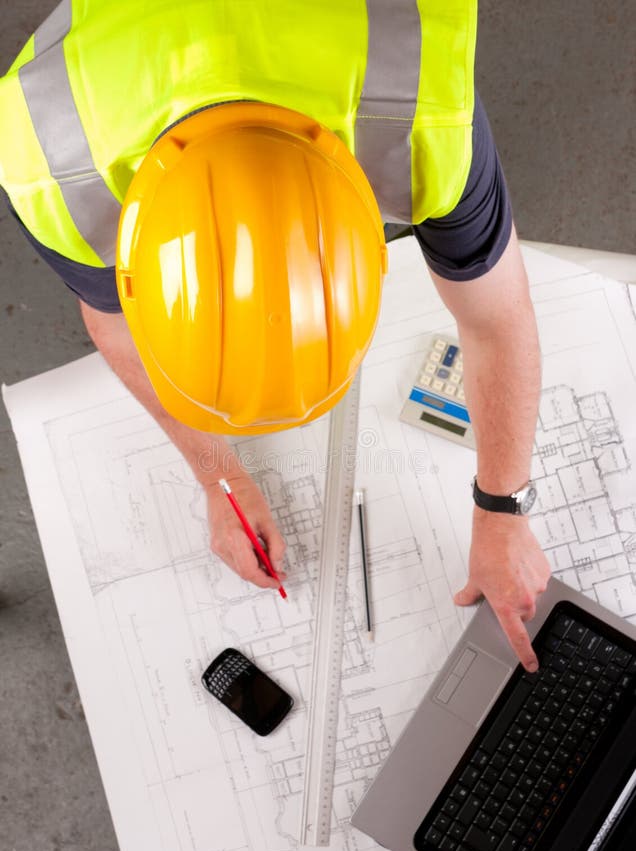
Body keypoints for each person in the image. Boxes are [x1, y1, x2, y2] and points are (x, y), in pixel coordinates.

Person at [0, 0, 550, 670]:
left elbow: (497, 318)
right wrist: (216, 477)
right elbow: (114, 330)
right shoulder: (49, 158)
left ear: (377, 251)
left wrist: (503, 511)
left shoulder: (423, 98)